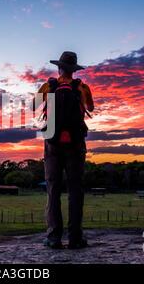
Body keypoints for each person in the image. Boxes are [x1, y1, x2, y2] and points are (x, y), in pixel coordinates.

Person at [38, 51, 94, 249]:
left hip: (52, 143)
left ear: (59, 68)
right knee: (75, 190)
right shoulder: (82, 87)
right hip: (76, 143)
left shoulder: (48, 86)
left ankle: (53, 238)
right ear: (75, 70)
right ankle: (75, 238)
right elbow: (91, 108)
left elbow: (36, 106)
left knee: (53, 190)